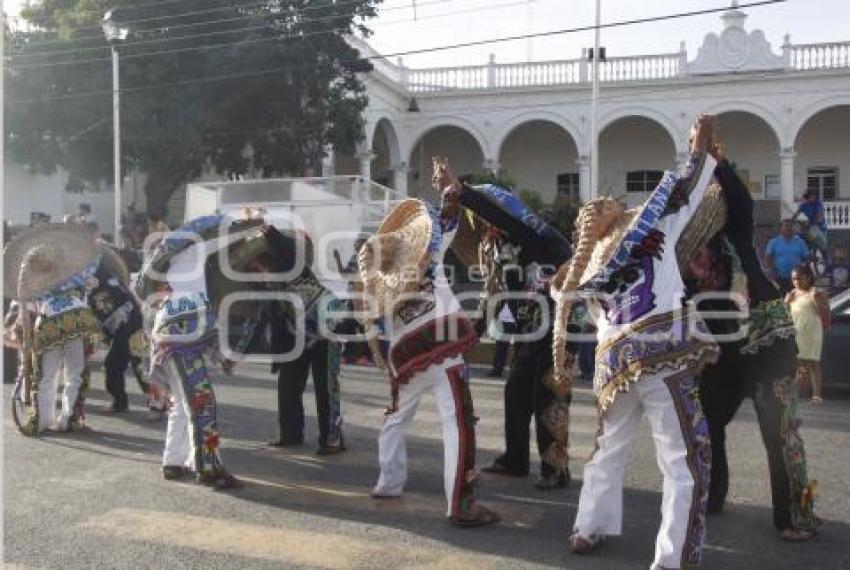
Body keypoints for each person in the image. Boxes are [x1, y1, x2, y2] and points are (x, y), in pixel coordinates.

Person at [554, 115, 719, 568]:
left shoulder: (587, 270)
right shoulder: (655, 227)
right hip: (662, 355)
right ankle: (670, 559)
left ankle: (588, 528)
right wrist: (699, 148)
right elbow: (688, 187)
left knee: (608, 449)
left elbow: (565, 296)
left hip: (613, 365)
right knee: (683, 459)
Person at [688, 142, 821, 541]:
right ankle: (712, 496)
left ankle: (794, 515)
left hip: (767, 342)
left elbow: (739, 198)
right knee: (706, 424)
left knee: (779, 431)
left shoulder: (735, 229)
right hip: (724, 352)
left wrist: (712, 158)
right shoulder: (681, 253)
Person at [363, 158, 499, 527]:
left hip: (403, 354)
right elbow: (450, 217)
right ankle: (461, 503)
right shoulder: (431, 252)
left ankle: (387, 483)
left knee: (395, 417)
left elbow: (373, 318)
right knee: (458, 421)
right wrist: (447, 189)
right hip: (441, 343)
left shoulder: (381, 283)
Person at [143, 223, 240, 490]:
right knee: (201, 403)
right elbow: (221, 235)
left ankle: (173, 462)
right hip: (182, 339)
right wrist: (243, 220)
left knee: (182, 404)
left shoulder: (172, 267)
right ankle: (208, 468)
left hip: (170, 336)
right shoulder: (193, 252)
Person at [239, 228, 345, 455]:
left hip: (328, 331)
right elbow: (256, 324)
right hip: (296, 337)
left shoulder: (294, 269)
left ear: (270, 264)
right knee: (287, 383)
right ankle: (290, 434)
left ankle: (332, 439)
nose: (260, 275)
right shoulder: (268, 292)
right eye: (255, 272)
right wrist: (235, 354)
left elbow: (290, 249)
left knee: (326, 387)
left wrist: (270, 231)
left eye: (261, 268)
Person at [17, 246, 100, 435]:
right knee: (74, 374)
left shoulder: (38, 282)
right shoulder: (79, 273)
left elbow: (27, 304)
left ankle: (41, 421)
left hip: (49, 326)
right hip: (75, 322)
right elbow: (96, 261)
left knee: (46, 376)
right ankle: (67, 419)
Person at [786, 264, 830, 405]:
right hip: (797, 332)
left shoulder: (818, 292)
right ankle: (797, 394)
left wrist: (815, 298)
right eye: (794, 279)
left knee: (813, 363)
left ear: (808, 277)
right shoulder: (793, 294)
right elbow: (786, 315)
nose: (796, 282)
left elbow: (824, 314)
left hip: (812, 333)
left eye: (799, 278)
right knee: (798, 362)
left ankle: (817, 396)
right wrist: (786, 302)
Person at [765, 220, 809, 294]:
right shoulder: (774, 242)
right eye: (786, 226)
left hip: (797, 278)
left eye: (791, 226)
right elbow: (768, 257)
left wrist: (804, 271)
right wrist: (771, 270)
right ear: (781, 228)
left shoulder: (800, 242)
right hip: (780, 277)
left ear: (794, 228)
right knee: (783, 298)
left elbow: (806, 258)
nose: (789, 228)